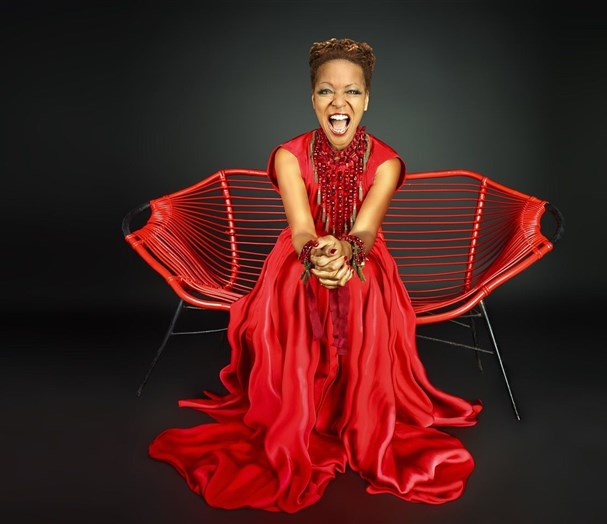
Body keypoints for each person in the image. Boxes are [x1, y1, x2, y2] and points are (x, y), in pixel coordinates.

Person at [148, 37, 482, 513]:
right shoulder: (289, 156)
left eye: (352, 92)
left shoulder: (387, 163)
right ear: (313, 99)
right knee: (297, 284)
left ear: (367, 100)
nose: (339, 103)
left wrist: (345, 252)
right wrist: (317, 255)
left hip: (362, 256)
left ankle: (351, 406)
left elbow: (366, 232)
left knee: (362, 286)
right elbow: (301, 228)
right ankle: (304, 403)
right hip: (300, 254)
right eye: (327, 91)